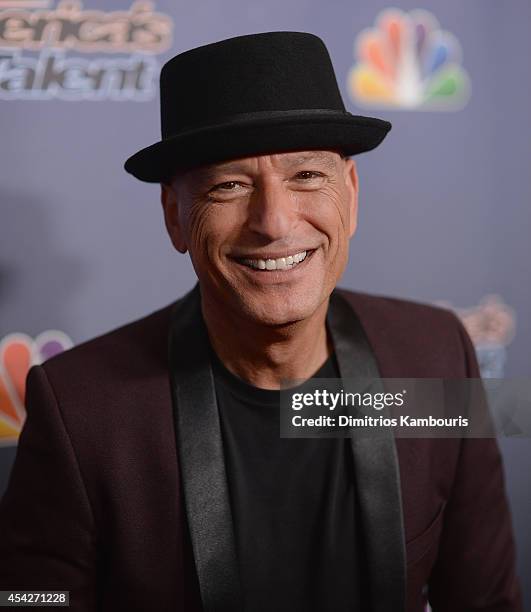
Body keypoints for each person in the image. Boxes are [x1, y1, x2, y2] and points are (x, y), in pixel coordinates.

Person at [0, 31, 522, 612]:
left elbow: (485, 598)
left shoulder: (436, 355)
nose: (273, 222)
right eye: (230, 185)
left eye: (305, 176)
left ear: (350, 194)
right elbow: (27, 595)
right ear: (175, 216)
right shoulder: (82, 406)